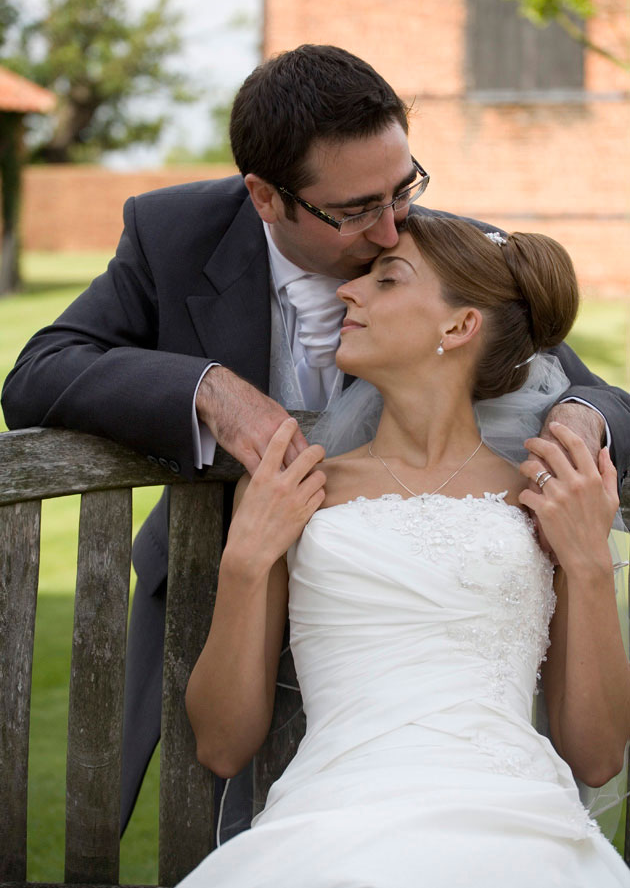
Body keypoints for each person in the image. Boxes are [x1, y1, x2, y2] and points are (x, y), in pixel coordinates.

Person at [2, 45, 629, 837]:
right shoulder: (173, 235)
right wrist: (210, 391)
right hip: (236, 596)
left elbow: (591, 385)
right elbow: (41, 370)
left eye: (405, 187)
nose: (395, 224)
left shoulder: (436, 253)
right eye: (358, 208)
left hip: (455, 671)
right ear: (266, 196)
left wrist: (578, 418)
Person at [180, 215, 630, 887]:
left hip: (518, 825)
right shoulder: (293, 489)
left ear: (458, 327)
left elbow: (595, 758)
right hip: (328, 823)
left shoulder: (543, 497)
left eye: (387, 279)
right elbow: (221, 745)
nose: (347, 294)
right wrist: (244, 560)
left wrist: (589, 562)